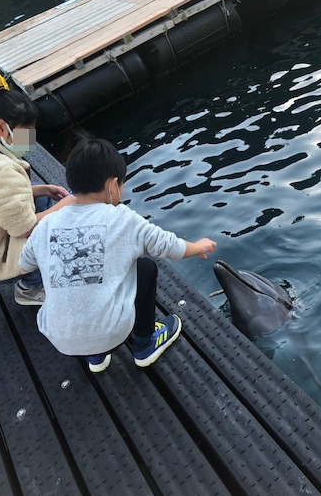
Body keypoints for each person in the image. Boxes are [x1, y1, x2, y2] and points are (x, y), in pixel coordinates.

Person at [19, 137, 216, 372]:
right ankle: (145, 345)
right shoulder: (122, 219)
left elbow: (25, 263)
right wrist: (199, 246)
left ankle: (96, 358)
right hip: (112, 332)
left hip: (57, 335)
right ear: (113, 186)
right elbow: (170, 247)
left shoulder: (47, 225)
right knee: (144, 268)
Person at [0, 74, 75, 304]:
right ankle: (30, 288)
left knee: (42, 204)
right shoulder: (2, 171)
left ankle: (31, 277)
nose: (31, 140)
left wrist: (41, 189)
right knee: (53, 232)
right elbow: (25, 229)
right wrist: (65, 205)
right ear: (2, 128)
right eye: (27, 132)